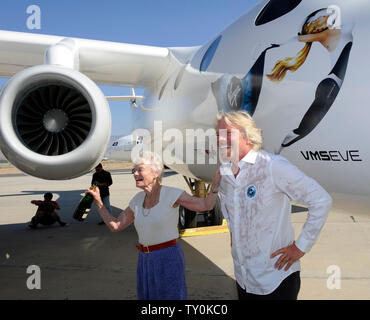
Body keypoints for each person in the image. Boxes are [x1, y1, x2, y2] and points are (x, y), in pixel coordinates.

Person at [215, 110, 332, 300]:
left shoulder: (272, 166)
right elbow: (231, 215)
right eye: (218, 135)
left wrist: (301, 247)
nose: (220, 140)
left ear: (247, 136)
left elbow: (321, 200)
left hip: (276, 279)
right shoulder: (225, 174)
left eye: (227, 133)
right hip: (244, 279)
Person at [86, 151, 220, 300]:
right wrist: (98, 202)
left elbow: (206, 205)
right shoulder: (137, 200)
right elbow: (116, 225)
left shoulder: (172, 194)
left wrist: (214, 185)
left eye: (140, 169)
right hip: (145, 259)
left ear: (155, 172)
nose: (135, 174)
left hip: (168, 257)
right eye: (133, 170)